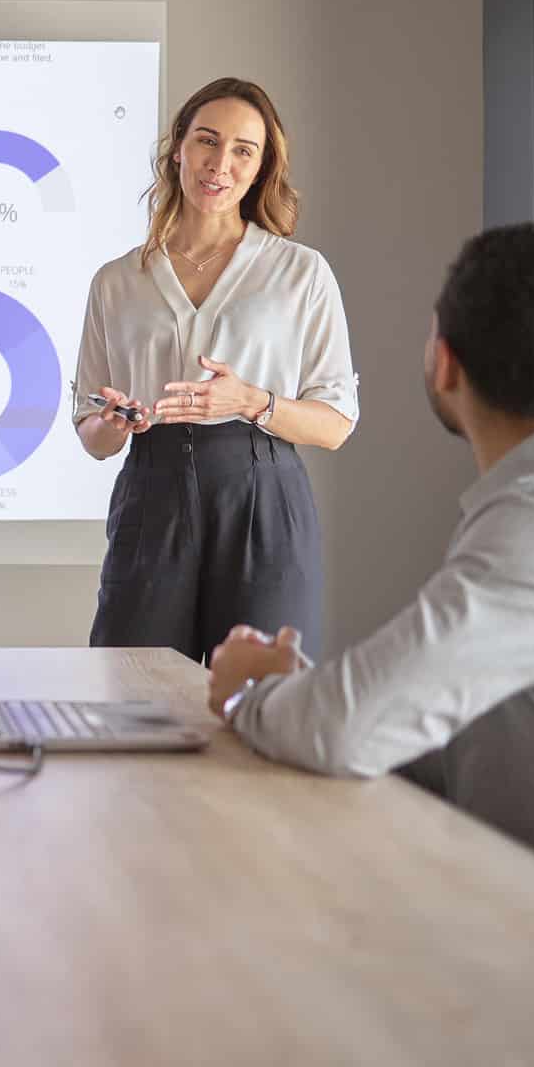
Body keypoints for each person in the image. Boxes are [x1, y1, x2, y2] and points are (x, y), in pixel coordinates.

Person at [207, 221, 534, 851]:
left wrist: (249, 695)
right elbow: (412, 718)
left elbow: (344, 732)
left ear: (444, 363)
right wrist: (305, 695)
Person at [73, 77, 358, 661]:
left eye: (242, 150)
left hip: (262, 494)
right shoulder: (117, 280)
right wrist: (114, 422)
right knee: (133, 686)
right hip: (152, 489)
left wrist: (251, 401)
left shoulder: (301, 273)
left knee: (262, 696)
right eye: (207, 140)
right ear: (178, 146)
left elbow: (335, 424)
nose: (219, 163)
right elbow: (93, 436)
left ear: (261, 168)